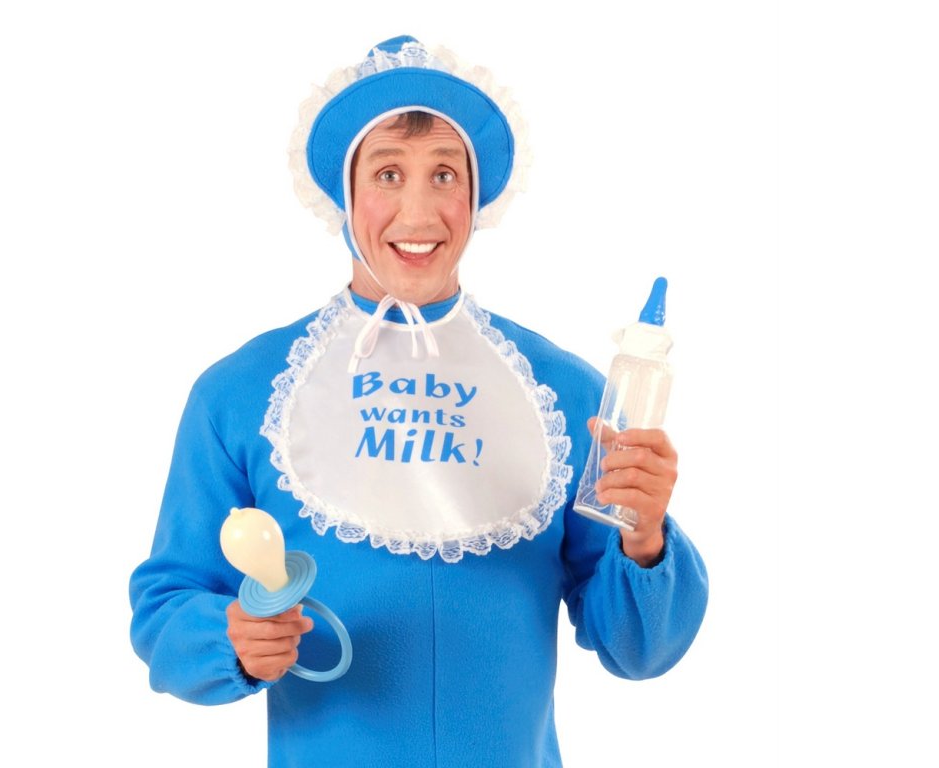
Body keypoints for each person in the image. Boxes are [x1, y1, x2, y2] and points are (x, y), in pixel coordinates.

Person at [130, 35, 708, 768]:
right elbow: (167, 606)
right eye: (388, 173)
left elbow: (640, 649)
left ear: (477, 194)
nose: (419, 210)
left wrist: (645, 538)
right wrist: (231, 637)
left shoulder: (564, 395)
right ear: (342, 194)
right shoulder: (242, 393)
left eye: (443, 173)